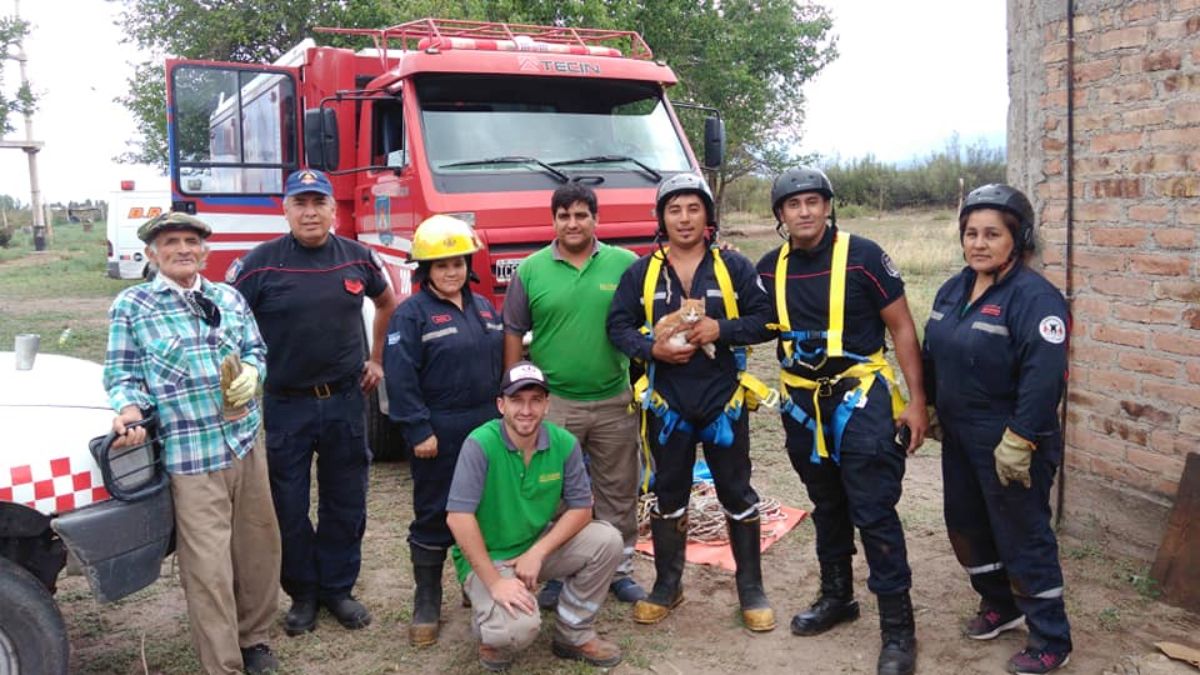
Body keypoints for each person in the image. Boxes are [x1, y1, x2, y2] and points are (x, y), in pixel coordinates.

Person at [756, 166, 928, 675]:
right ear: (781, 216)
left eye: (813, 201)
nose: (804, 211)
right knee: (826, 503)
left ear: (829, 206)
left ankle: (898, 630)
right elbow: (745, 323)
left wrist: (916, 401)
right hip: (802, 407)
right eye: (793, 204)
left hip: (862, 400)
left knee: (873, 509)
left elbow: (901, 329)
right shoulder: (768, 269)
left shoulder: (866, 257)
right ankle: (838, 597)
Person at [103, 212, 281, 674]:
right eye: (170, 242)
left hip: (244, 444)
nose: (182, 249)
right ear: (152, 254)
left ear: (204, 250)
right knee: (208, 570)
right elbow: (122, 374)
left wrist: (252, 376)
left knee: (259, 549)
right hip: (190, 457)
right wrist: (129, 411)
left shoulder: (229, 298)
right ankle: (223, 664)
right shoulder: (133, 306)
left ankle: (255, 639)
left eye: (190, 241)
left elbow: (257, 351)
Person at [230, 169, 398, 635]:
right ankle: (302, 593)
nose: (310, 212)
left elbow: (388, 303)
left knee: (346, 500)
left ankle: (338, 590)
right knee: (288, 504)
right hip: (287, 405)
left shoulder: (358, 258)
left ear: (332, 210)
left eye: (318, 203)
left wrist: (378, 358)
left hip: (346, 401)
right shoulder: (259, 264)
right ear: (284, 210)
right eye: (299, 203)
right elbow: (231, 322)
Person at [607, 173, 777, 632]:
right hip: (668, 408)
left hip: (724, 404)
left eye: (693, 208)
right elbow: (617, 327)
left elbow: (767, 321)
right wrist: (652, 350)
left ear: (708, 216)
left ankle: (751, 590)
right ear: (661, 218)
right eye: (674, 209)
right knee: (668, 496)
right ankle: (667, 586)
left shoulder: (733, 269)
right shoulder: (640, 273)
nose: (684, 218)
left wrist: (722, 330)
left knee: (737, 494)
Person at [922, 184, 1072, 674]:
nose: (979, 243)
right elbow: (934, 351)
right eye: (971, 233)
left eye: (992, 234)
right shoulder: (953, 288)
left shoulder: (1037, 299)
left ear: (1019, 239)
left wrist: (1021, 438)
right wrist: (928, 404)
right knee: (965, 523)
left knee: (1022, 534)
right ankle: (999, 605)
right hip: (961, 436)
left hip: (1011, 440)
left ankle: (1051, 636)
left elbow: (1044, 375)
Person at [501, 182, 645, 606]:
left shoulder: (624, 263)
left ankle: (620, 569)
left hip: (614, 398)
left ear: (596, 219)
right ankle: (557, 573)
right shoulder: (531, 270)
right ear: (554, 221)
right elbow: (513, 330)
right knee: (553, 491)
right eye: (564, 216)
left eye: (582, 215)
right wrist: (514, 390)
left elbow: (660, 291)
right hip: (555, 402)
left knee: (619, 487)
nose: (573, 223)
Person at [446, 361, 624, 672]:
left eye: (535, 400)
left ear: (547, 405)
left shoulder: (563, 444)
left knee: (607, 539)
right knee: (513, 634)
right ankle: (489, 617)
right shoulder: (480, 444)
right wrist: (495, 582)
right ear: (501, 405)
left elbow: (582, 508)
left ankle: (574, 632)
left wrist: (537, 553)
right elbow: (458, 518)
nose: (526, 410)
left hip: (533, 547)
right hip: (492, 557)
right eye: (517, 400)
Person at [383, 215, 504, 646]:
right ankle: (428, 601)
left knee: (485, 510)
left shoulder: (486, 307)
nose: (451, 272)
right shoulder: (410, 315)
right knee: (436, 512)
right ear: (425, 270)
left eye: (458, 263)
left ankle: (479, 583)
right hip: (439, 430)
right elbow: (399, 378)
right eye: (441, 265)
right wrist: (418, 430)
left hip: (486, 427)